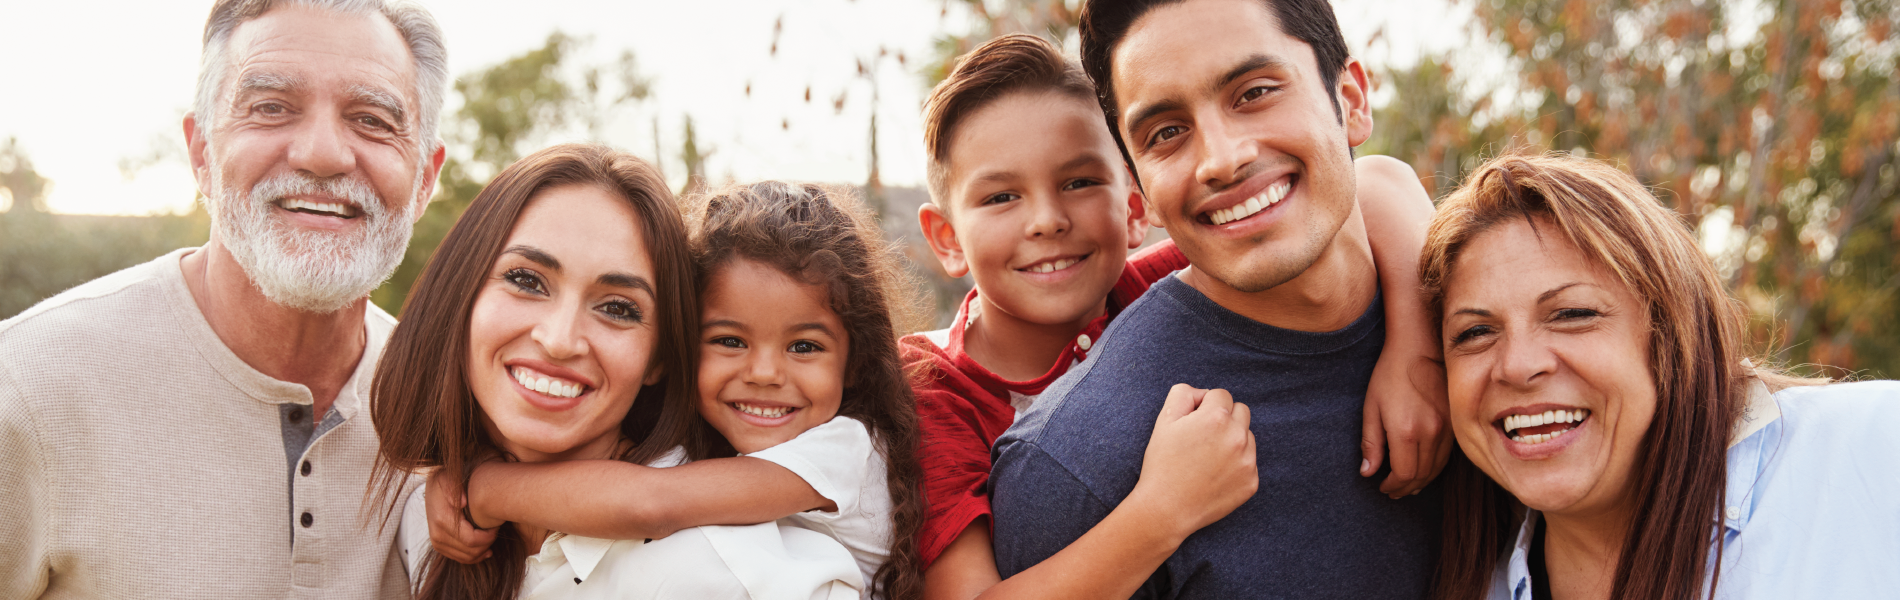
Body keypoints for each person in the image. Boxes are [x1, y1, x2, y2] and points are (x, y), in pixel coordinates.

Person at [906, 33, 1444, 599]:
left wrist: (1416, 352)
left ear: (1137, 209)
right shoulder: (930, 394)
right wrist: (1163, 510)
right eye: (1000, 198)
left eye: (1080, 183)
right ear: (947, 239)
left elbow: (1379, 181)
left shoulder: (1144, 284)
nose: (1047, 220)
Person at [0, 0, 446, 597]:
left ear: (424, 179)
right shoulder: (29, 386)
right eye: (271, 108)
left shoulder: (451, 412)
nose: (322, 154)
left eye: (371, 119)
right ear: (202, 153)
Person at [376, 146, 864, 599]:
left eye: (618, 308)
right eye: (526, 280)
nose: (560, 339)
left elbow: (655, 505)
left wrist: (481, 488)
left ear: (660, 358)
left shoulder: (738, 576)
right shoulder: (417, 519)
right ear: (460, 293)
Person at [1422, 154, 1900, 600]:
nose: (1518, 365)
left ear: (1669, 332)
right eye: (1476, 332)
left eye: (1571, 313)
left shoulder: (1875, 450)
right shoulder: (1457, 575)